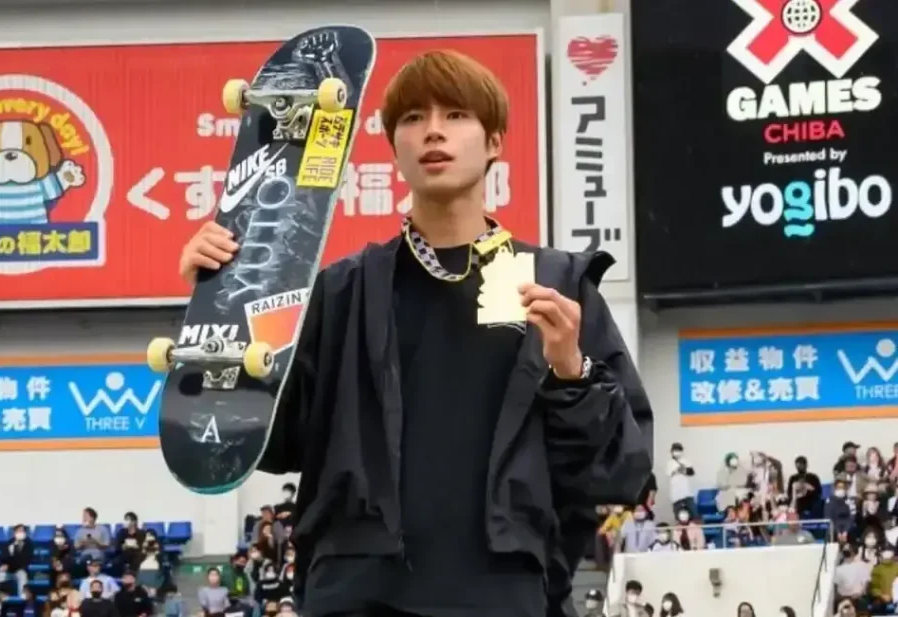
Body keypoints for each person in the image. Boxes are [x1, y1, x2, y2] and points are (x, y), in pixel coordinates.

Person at [177, 49, 652, 617]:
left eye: (455, 115)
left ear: (495, 141)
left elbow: (622, 469)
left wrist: (571, 370)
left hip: (504, 593)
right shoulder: (339, 292)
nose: (433, 132)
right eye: (412, 119)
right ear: (392, 146)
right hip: (358, 591)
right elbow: (270, 444)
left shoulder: (558, 286)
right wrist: (221, 308)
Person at [0, 524, 34, 597]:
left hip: (21, 570)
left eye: (22, 531)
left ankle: (21, 597)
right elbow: (3, 556)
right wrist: (4, 565)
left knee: (22, 575)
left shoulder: (29, 544)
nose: (20, 533)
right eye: (18, 531)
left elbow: (24, 560)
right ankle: (1, 599)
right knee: (1, 574)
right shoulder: (9, 543)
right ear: (14, 532)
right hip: (9, 570)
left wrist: (9, 563)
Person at [665, 443, 696, 518]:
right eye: (676, 450)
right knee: (679, 516)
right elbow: (670, 472)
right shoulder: (670, 463)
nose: (677, 452)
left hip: (687, 493)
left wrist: (683, 470)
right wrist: (681, 469)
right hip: (676, 495)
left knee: (693, 514)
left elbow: (691, 472)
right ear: (672, 451)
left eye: (679, 450)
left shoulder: (686, 461)